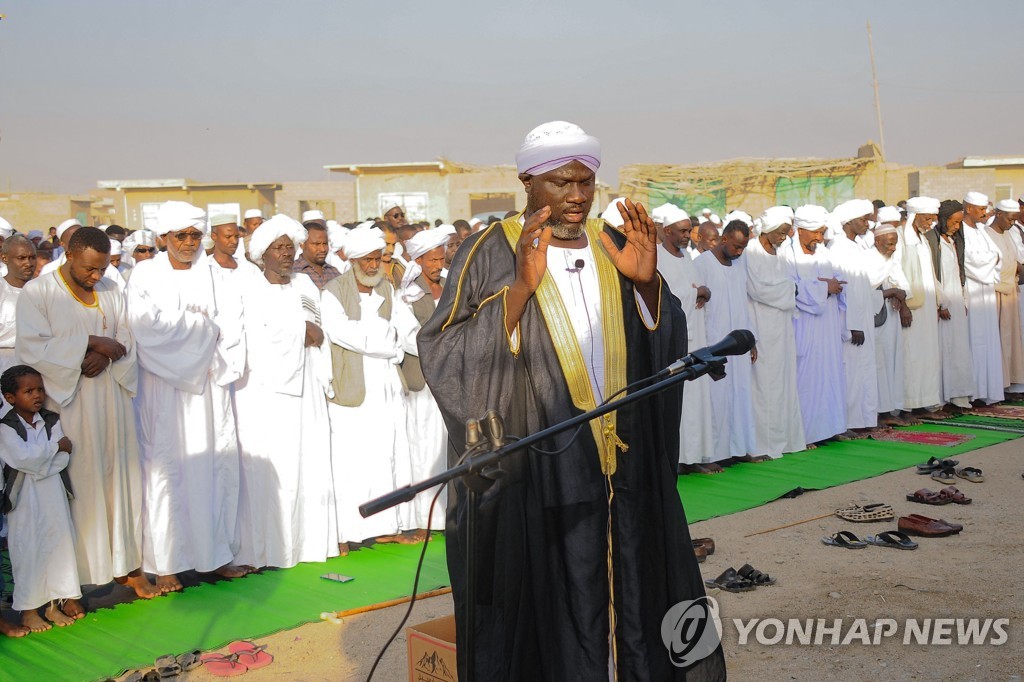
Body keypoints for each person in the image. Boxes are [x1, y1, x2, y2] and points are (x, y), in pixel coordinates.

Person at [418, 121, 725, 680]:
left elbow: (665, 332)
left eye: (586, 182)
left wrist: (648, 286)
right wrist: (520, 289)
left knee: (636, 593)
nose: (577, 195)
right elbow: (444, 351)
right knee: (551, 613)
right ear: (529, 182)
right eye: (562, 183)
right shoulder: (489, 250)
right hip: (540, 471)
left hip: (620, 465)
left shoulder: (614, 240)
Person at [15, 226, 158, 607]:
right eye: (89, 269)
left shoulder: (112, 288)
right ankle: (73, 584)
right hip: (70, 402)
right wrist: (91, 344)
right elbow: (31, 348)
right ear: (68, 252)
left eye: (103, 267)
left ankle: (126, 566)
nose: (97, 276)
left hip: (112, 398)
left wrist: (109, 353)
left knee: (120, 483)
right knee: (81, 489)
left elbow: (127, 333)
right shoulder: (39, 292)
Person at [126, 201, 249, 592]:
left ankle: (213, 557)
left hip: (210, 388)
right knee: (168, 473)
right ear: (164, 238)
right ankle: (166, 565)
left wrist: (205, 340)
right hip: (164, 392)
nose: (190, 242)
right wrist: (201, 328)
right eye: (182, 235)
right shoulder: (144, 275)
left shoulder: (216, 275)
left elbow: (232, 327)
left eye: (196, 235)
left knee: (214, 470)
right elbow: (147, 329)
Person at [233, 215, 338, 569]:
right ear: (263, 253)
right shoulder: (248, 289)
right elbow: (257, 339)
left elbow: (319, 332)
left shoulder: (305, 286)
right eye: (278, 247)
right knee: (271, 470)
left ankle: (307, 545)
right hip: (266, 393)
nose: (286, 254)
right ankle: (267, 551)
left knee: (308, 463)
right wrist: (299, 329)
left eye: (290, 247)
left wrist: (304, 330)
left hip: (306, 386)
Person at [320, 225, 413, 554]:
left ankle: (386, 526)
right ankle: (349, 530)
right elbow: (341, 332)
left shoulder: (387, 288)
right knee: (352, 460)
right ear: (354, 260)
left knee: (388, 454)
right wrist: (386, 339)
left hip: (387, 385)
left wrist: (386, 338)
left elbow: (402, 328)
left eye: (379, 259)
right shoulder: (333, 291)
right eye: (369, 260)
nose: (375, 265)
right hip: (353, 388)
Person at [0, 366, 81, 633]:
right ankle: (29, 611)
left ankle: (52, 606)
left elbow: (60, 459)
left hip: (52, 494)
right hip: (23, 499)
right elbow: (23, 458)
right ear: (11, 397)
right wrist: (54, 449)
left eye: (40, 390)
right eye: (29, 391)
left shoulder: (51, 419)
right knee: (28, 550)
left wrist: (40, 462)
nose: (37, 396)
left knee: (56, 547)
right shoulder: (5, 427)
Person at [393, 226, 454, 531]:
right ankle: (422, 517)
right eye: (431, 260)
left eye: (440, 259)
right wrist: (442, 346)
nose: (436, 265)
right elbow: (406, 336)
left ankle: (446, 514)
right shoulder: (407, 294)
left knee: (446, 445)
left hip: (453, 377)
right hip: (423, 379)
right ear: (418, 260)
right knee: (422, 446)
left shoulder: (450, 284)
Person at [651, 203, 716, 472]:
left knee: (696, 398)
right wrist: (696, 292)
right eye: (682, 231)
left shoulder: (686, 256)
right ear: (667, 231)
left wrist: (703, 291)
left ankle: (695, 457)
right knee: (678, 401)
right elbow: (664, 295)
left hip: (696, 335)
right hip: (673, 341)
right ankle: (677, 459)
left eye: (689, 231)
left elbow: (692, 290)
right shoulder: (656, 257)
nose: (687, 236)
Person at [781, 205, 848, 445]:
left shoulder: (823, 253)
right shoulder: (787, 256)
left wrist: (835, 285)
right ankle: (806, 433)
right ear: (800, 230)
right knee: (806, 380)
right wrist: (823, 288)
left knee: (829, 375)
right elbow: (789, 287)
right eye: (816, 233)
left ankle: (830, 427)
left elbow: (831, 281)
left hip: (827, 327)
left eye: (822, 232)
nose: (819, 238)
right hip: (803, 326)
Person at [694, 220, 760, 462]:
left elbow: (744, 305)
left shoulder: (740, 264)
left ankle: (738, 449)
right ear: (723, 240)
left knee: (740, 395)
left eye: (743, 248)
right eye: (736, 247)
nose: (739, 252)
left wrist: (751, 339)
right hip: (715, 343)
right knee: (717, 400)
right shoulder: (701, 264)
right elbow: (696, 307)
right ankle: (715, 454)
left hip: (738, 344)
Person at [746, 206, 806, 457]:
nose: (784, 236)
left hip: (782, 326)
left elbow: (787, 283)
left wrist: (789, 288)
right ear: (768, 229)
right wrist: (789, 289)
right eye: (781, 232)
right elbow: (757, 289)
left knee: (783, 383)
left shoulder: (780, 253)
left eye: (787, 232)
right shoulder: (751, 252)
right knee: (765, 385)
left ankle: (786, 440)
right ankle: (765, 444)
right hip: (761, 325)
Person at [829, 199, 880, 435]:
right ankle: (847, 421)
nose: (867, 224)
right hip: (849, 324)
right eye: (863, 220)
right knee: (849, 372)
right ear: (849, 222)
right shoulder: (838, 248)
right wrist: (853, 324)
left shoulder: (856, 246)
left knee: (864, 370)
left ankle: (864, 418)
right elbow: (844, 290)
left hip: (862, 320)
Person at [961, 192, 1004, 404]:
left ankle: (989, 391)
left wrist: (989, 260)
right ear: (968, 208)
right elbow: (971, 263)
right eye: (980, 210)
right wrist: (990, 260)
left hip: (986, 293)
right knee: (975, 341)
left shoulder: (981, 230)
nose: (984, 214)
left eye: (985, 209)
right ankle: (974, 392)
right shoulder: (962, 231)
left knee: (988, 340)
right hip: (973, 292)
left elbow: (997, 255)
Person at [935, 201, 975, 410]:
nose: (957, 227)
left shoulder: (952, 241)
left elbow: (960, 273)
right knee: (945, 350)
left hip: (957, 303)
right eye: (954, 222)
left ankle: (959, 395)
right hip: (944, 306)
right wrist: (941, 303)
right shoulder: (935, 243)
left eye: (959, 223)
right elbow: (935, 276)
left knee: (958, 348)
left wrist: (963, 299)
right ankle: (944, 397)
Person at [986, 200, 1024, 394]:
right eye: (1010, 219)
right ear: (999, 214)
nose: (1011, 223)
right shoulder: (986, 234)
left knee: (1011, 340)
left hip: (1010, 292)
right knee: (999, 340)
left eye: (1014, 220)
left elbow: (1017, 260)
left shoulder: (1008, 234)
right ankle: (998, 386)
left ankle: (1011, 385)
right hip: (996, 294)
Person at [40, 219, 125, 289]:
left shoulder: (108, 270)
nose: (97, 276)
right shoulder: (49, 270)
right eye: (89, 269)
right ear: (62, 243)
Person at [1, 236, 37, 383]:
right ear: (4, 258)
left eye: (32, 257)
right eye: (21, 258)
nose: (28, 263)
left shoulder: (46, 291)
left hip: (37, 369)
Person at [209, 215, 260, 279]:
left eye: (236, 236)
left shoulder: (250, 269)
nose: (234, 241)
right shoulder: (205, 268)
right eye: (228, 237)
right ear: (214, 236)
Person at [293, 220, 340, 289]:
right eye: (316, 244)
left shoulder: (334, 272)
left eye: (325, 244)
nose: (322, 249)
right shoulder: (294, 272)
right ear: (302, 244)